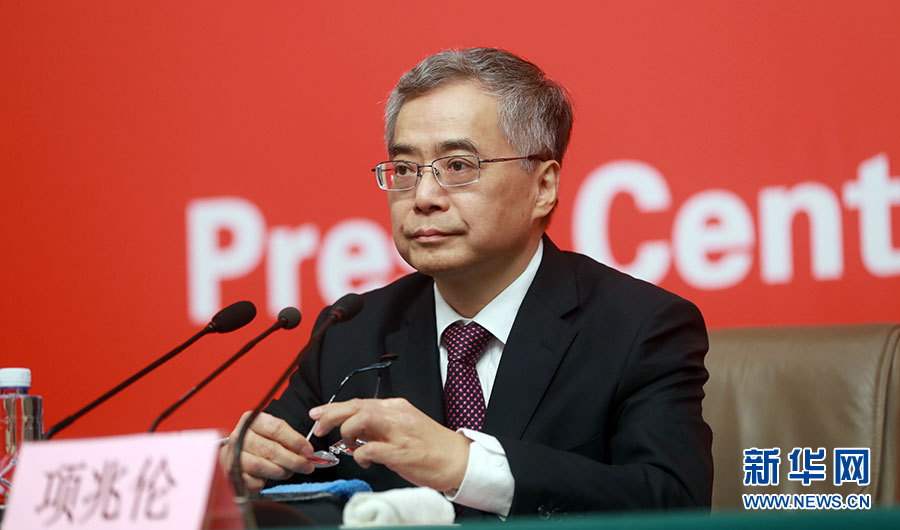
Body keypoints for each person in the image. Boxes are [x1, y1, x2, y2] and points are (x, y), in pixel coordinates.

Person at [220, 47, 713, 519]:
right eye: (405, 169)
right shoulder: (349, 333)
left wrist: (466, 465)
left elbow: (673, 502)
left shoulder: (639, 327)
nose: (423, 197)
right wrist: (233, 471)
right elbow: (280, 479)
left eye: (457, 166)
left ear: (543, 186)